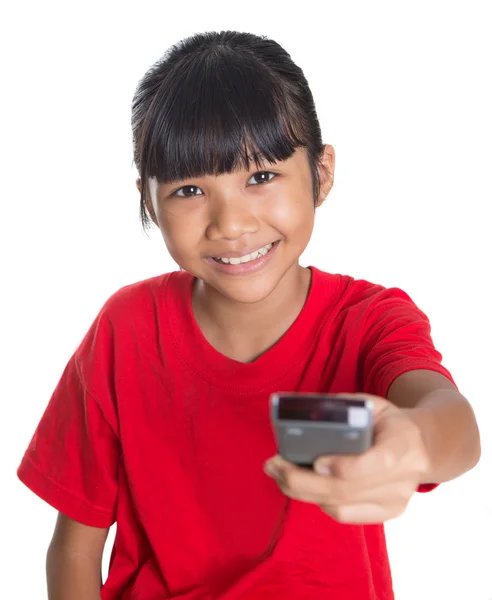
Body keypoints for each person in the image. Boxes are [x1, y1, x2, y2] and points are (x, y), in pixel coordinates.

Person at [17, 30, 480, 600]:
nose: (230, 224)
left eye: (261, 177)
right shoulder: (126, 329)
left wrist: (414, 440)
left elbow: (450, 419)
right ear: (148, 202)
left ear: (321, 174)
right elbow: (75, 547)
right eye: (189, 189)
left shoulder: (368, 319)